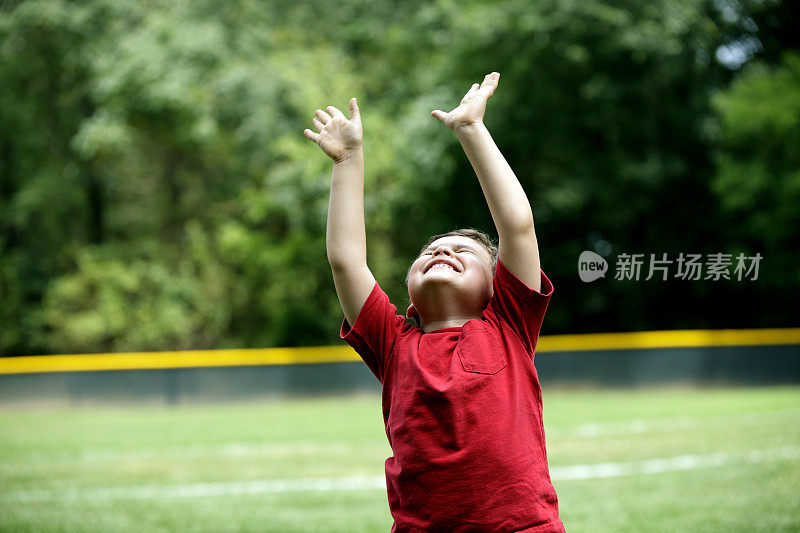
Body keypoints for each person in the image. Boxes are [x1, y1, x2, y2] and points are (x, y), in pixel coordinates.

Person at [304, 72, 564, 532]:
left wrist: (471, 129)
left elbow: (518, 225)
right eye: (429, 252)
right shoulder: (392, 342)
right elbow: (346, 261)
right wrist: (348, 160)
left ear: (496, 287)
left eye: (462, 251)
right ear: (408, 297)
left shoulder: (509, 322)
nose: (441, 251)